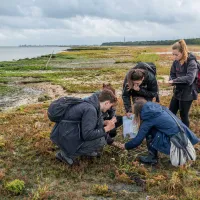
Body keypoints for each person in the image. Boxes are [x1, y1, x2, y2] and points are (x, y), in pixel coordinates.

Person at [117, 99, 199, 165]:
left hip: (176, 141)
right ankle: (162, 155)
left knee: (149, 132)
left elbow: (138, 140)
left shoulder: (148, 119)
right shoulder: (158, 109)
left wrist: (125, 146)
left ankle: (152, 158)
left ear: (139, 111)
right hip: (183, 136)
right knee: (152, 129)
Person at [52, 89, 117, 165]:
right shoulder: (91, 109)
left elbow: (85, 122)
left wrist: (104, 122)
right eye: (110, 106)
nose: (109, 109)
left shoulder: (90, 102)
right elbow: (88, 135)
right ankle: (65, 155)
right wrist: (107, 128)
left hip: (63, 134)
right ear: (107, 103)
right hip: (66, 137)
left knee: (99, 136)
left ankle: (85, 151)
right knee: (101, 140)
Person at [168, 39, 198, 127]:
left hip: (188, 92)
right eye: (173, 54)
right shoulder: (175, 62)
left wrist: (174, 81)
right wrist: (171, 81)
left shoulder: (191, 62)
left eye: (176, 54)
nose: (174, 57)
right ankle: (173, 131)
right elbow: (172, 74)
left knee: (183, 115)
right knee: (171, 112)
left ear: (183, 52)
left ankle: (186, 136)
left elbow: (190, 79)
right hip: (177, 90)